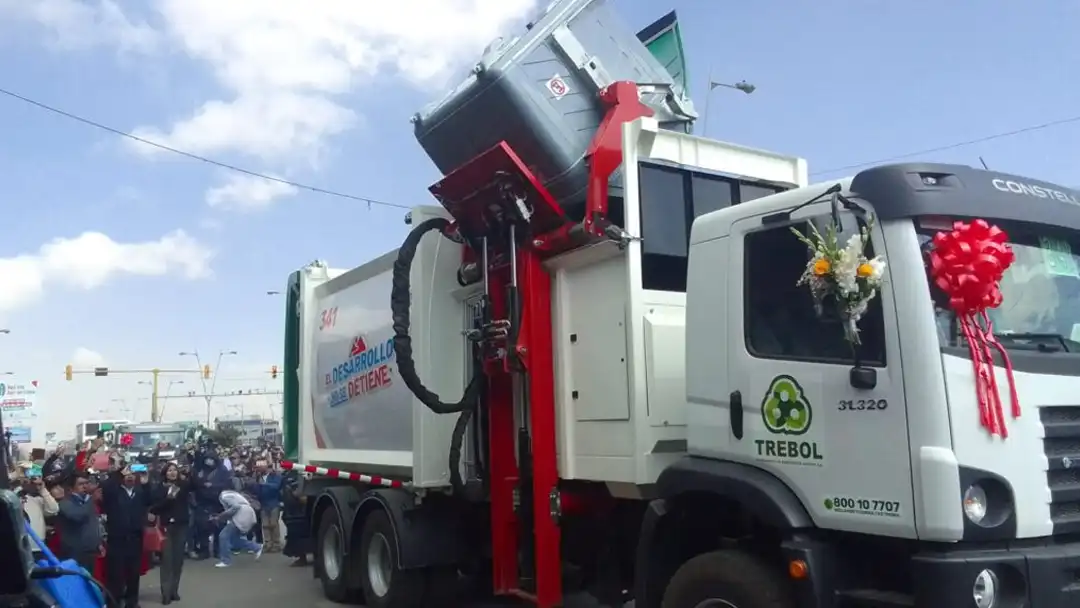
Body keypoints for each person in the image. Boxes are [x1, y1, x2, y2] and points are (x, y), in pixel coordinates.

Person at [100, 464, 152, 608]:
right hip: (117, 539)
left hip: (135, 538)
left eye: (132, 474)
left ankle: (132, 602)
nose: (130, 477)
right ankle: (114, 602)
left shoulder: (139, 492)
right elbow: (106, 485)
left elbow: (151, 500)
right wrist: (118, 472)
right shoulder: (113, 491)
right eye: (126, 474)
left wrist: (146, 484)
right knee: (115, 574)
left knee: (133, 574)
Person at [151, 462, 190, 605]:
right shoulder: (159, 489)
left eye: (174, 470)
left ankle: (174, 590)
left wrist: (189, 471)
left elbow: (197, 485)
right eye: (169, 471)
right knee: (167, 560)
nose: (172, 473)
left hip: (181, 525)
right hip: (166, 527)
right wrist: (168, 499)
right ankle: (165, 593)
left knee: (178, 560)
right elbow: (154, 508)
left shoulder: (183, 486)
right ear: (165, 473)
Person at [56, 472, 102, 575]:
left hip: (90, 551)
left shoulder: (88, 501)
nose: (85, 486)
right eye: (81, 484)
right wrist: (91, 500)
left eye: (86, 483)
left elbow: (93, 523)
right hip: (74, 552)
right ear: (71, 488)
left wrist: (98, 542)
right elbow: (78, 516)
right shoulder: (65, 502)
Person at [214, 489, 261, 568]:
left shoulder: (224, 496)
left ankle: (226, 560)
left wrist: (221, 516)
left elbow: (236, 507)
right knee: (234, 540)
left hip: (242, 514)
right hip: (247, 513)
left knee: (223, 536)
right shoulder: (232, 494)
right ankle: (256, 547)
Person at [20, 468, 59, 558]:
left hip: (39, 547)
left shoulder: (39, 499)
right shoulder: (16, 496)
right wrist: (22, 486)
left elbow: (54, 509)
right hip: (21, 548)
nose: (31, 483)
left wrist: (42, 489)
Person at [280, 470, 311, 567]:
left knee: (299, 534)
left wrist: (296, 495)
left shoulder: (297, 475)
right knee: (296, 534)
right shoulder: (288, 475)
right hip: (292, 511)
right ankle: (301, 557)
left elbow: (300, 495)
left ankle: (302, 558)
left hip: (298, 511)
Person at [253, 461, 282, 552]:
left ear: (265, 467)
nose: (258, 469)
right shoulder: (258, 477)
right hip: (263, 503)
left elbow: (276, 486)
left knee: (273, 524)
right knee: (265, 525)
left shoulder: (274, 475)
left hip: (273, 502)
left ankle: (276, 544)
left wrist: (264, 484)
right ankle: (268, 544)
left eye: (260, 467)